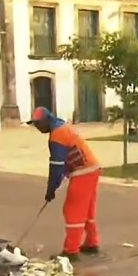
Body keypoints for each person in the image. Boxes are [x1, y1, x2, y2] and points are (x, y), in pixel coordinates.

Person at [27, 106, 101, 261]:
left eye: (39, 124)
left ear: (47, 121)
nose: (37, 128)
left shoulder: (57, 136)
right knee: (86, 210)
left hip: (83, 172)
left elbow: (56, 166)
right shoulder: (62, 126)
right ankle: (92, 242)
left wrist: (50, 189)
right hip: (92, 168)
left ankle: (71, 251)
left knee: (72, 210)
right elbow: (63, 166)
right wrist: (55, 184)